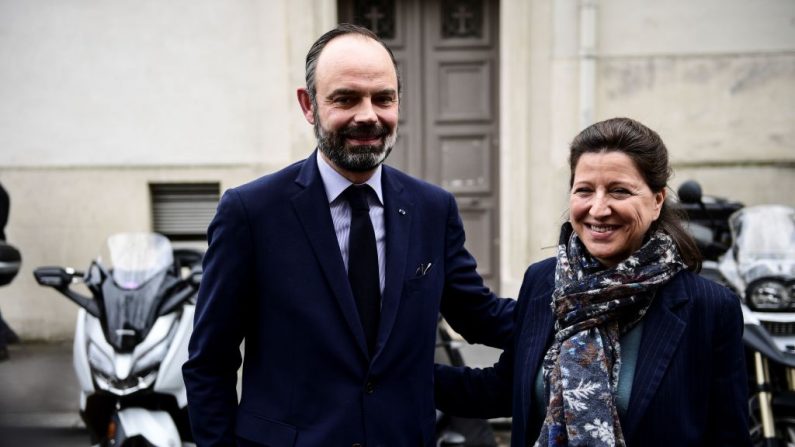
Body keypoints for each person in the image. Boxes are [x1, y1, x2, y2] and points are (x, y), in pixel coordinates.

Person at [182, 24, 514, 446]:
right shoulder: (250, 213)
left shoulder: (432, 209)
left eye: (383, 98)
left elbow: (479, 315)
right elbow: (209, 363)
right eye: (346, 98)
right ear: (309, 105)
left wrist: (568, 310)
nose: (368, 116)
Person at [435, 117, 750, 446]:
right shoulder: (544, 282)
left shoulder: (709, 308)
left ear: (657, 201)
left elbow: (729, 436)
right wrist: (395, 373)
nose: (598, 209)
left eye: (619, 191)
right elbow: (502, 390)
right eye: (584, 190)